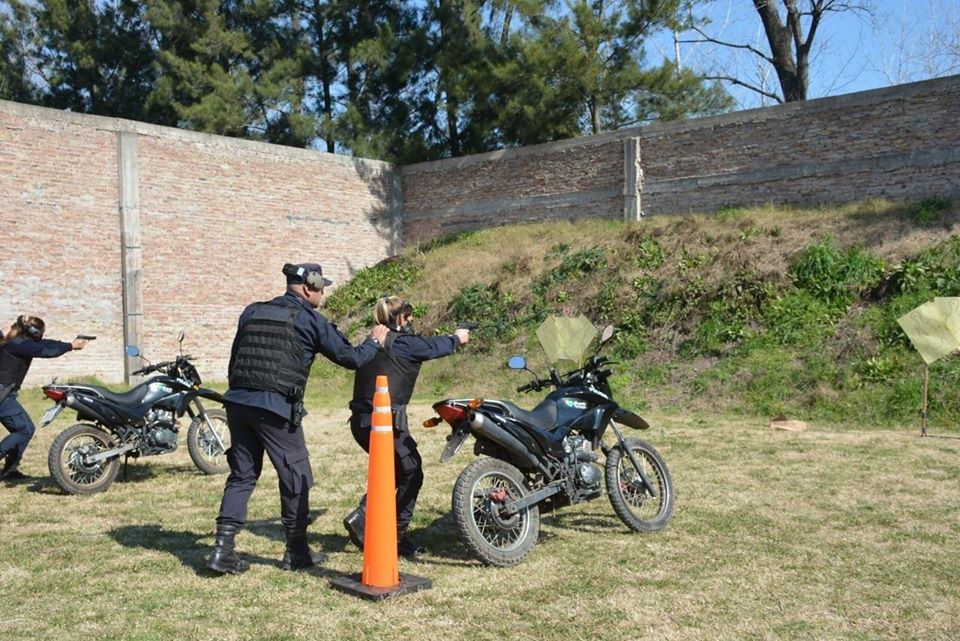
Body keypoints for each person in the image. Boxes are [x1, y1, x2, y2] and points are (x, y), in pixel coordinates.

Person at [207, 262, 389, 575]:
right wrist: (374, 341)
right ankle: (297, 552)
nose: (324, 294)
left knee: (242, 475)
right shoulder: (310, 320)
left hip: (238, 403)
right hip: (275, 409)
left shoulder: (252, 311)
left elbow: (236, 359)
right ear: (309, 288)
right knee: (296, 477)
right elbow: (351, 358)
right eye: (322, 289)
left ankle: (222, 550)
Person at [343, 296, 470, 559]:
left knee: (394, 470)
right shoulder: (402, 344)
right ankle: (389, 534)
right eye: (408, 314)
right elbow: (434, 346)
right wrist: (458, 337)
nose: (412, 319)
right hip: (384, 423)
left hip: (361, 422)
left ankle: (365, 519)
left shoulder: (373, 340)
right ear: (399, 318)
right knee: (412, 472)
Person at [0, 315, 88, 481]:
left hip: (6, 394)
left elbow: (46, 344)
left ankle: (10, 470)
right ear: (32, 332)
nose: (41, 335)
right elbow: (46, 350)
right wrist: (70, 346)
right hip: (2, 395)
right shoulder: (18, 345)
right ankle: (9, 469)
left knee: (25, 429)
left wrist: (69, 344)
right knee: (23, 430)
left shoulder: (18, 341)